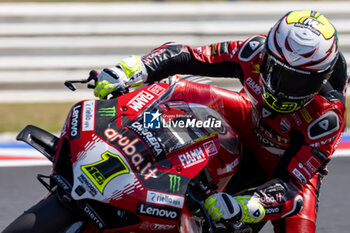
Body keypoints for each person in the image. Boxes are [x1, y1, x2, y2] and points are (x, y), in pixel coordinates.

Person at [93, 10, 347, 233]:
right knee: (184, 92)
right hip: (248, 121)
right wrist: (135, 68)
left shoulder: (327, 116)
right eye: (278, 72)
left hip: (286, 172)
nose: (284, 88)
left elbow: (291, 186)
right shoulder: (253, 52)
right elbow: (187, 55)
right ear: (268, 56)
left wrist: (248, 205)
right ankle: (124, 134)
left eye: (301, 81)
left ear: (321, 77)